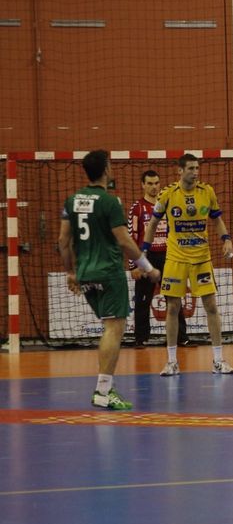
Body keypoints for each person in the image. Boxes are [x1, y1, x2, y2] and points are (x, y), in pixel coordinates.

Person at [58, 150, 161, 410]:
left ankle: (105, 387)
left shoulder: (71, 201)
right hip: (108, 272)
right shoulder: (110, 202)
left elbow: (63, 241)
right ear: (106, 169)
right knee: (114, 329)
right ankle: (103, 391)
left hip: (85, 274)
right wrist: (148, 268)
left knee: (109, 328)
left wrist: (70, 272)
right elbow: (125, 241)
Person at [145, 153, 233, 376]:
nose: (195, 173)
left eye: (197, 168)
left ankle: (218, 360)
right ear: (180, 171)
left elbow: (216, 219)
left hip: (201, 259)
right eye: (191, 169)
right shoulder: (167, 195)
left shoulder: (207, 192)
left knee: (211, 306)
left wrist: (226, 239)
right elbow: (153, 223)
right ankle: (172, 362)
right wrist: (144, 253)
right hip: (176, 259)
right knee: (173, 308)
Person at [128, 169, 190, 349]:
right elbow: (132, 236)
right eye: (149, 183)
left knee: (174, 297)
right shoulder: (137, 207)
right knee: (142, 300)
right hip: (146, 258)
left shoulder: (167, 204)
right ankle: (141, 338)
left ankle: (181, 337)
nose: (154, 187)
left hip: (168, 256)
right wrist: (134, 265)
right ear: (142, 185)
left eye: (156, 183)